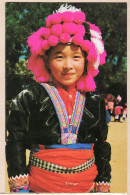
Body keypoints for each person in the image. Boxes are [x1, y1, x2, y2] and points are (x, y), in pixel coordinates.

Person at [6, 4, 111, 193]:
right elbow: (16, 142)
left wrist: (103, 184)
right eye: (59, 57)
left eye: (77, 57)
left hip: (85, 187)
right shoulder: (29, 97)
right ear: (45, 60)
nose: (68, 66)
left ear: (87, 59)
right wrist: (20, 188)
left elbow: (101, 146)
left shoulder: (95, 102)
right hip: (42, 187)